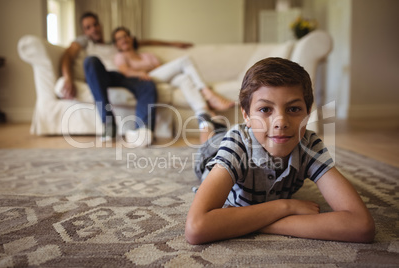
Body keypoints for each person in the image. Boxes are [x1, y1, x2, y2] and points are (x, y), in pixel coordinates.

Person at [185, 57, 375, 245]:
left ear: (308, 113)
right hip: (213, 151)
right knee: (210, 139)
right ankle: (206, 120)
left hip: (252, 135)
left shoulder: (308, 144)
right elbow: (196, 228)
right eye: (265, 109)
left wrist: (251, 223)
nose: (281, 122)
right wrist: (286, 206)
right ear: (246, 115)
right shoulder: (237, 144)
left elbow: (361, 226)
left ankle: (211, 121)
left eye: (293, 109)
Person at [60, 12, 193, 145]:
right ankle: (108, 123)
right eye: (88, 27)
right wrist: (68, 78)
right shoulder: (85, 43)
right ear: (84, 31)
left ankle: (142, 131)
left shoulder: (115, 43)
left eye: (95, 25)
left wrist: (172, 43)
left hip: (123, 76)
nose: (93, 29)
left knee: (147, 83)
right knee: (90, 61)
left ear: (100, 25)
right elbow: (68, 55)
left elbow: (147, 41)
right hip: (101, 76)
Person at [111, 26, 235, 143]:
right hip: (145, 80)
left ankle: (205, 123)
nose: (124, 40)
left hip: (159, 77)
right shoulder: (120, 56)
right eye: (119, 38)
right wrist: (140, 72)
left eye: (126, 36)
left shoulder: (147, 55)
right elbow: (125, 71)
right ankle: (207, 92)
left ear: (131, 38)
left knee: (184, 78)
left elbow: (163, 69)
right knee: (185, 60)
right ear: (116, 44)